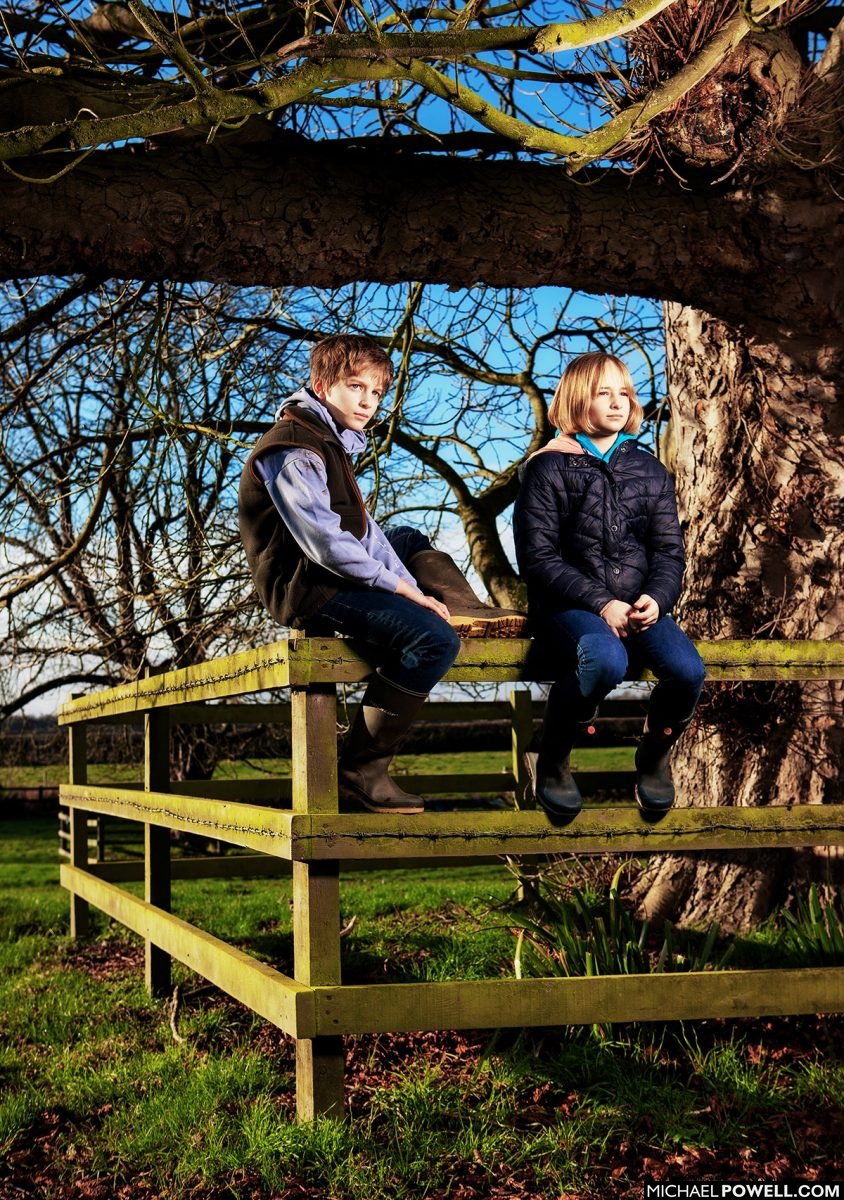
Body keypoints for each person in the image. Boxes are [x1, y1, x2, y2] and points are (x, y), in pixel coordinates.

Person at [238, 333, 526, 815]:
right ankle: (360, 769)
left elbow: (368, 535)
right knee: (434, 641)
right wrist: (404, 593)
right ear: (322, 384)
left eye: (376, 392)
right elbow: (325, 543)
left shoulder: (330, 439)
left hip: (331, 571)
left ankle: (463, 609)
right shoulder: (293, 449)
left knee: (407, 538)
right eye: (356, 387)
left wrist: (413, 590)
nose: (369, 402)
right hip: (307, 586)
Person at [513, 351, 705, 817]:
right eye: (604, 393)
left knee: (688, 672)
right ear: (578, 400)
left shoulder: (650, 469)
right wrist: (601, 604)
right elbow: (537, 558)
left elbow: (668, 551)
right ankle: (552, 756)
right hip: (569, 605)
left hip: (639, 605)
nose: (618, 402)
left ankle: (654, 755)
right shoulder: (546, 468)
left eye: (625, 392)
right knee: (604, 660)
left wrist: (656, 600)